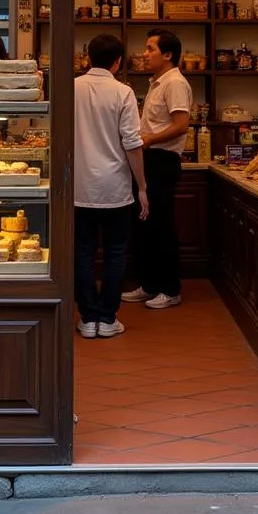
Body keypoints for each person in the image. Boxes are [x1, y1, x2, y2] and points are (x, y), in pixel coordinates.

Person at [74, 34, 149, 339]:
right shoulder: (123, 92)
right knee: (116, 252)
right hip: (115, 187)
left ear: (88, 57)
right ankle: (107, 319)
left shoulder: (71, 88)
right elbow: (132, 144)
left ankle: (87, 318)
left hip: (78, 186)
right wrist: (142, 187)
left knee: (82, 253)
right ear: (118, 61)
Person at [122, 28, 192, 310]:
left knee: (161, 225)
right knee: (144, 224)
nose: (144, 53)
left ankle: (170, 288)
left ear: (168, 54)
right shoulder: (157, 83)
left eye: (150, 48)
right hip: (148, 159)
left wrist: (148, 138)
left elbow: (181, 125)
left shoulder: (175, 82)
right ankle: (149, 284)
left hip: (162, 160)